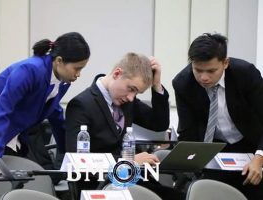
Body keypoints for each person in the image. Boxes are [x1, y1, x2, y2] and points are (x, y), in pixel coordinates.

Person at [0, 32, 90, 176]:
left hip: (11, 135)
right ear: (59, 61)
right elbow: (2, 109)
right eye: (77, 68)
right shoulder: (29, 70)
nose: (78, 74)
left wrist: (70, 153)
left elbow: (55, 112)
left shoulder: (62, 81)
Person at [65, 52, 170, 197]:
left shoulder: (125, 100)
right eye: (131, 89)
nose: (131, 98)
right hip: (97, 184)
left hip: (126, 180)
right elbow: (78, 159)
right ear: (117, 73)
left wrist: (157, 85)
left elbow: (159, 124)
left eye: (137, 93)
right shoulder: (81, 105)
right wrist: (129, 161)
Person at [172, 33, 263, 199]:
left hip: (251, 146)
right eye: (198, 70)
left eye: (211, 71)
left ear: (225, 63)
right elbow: (187, 131)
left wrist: (259, 157)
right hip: (214, 149)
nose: (204, 78)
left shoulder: (246, 74)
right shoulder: (183, 83)